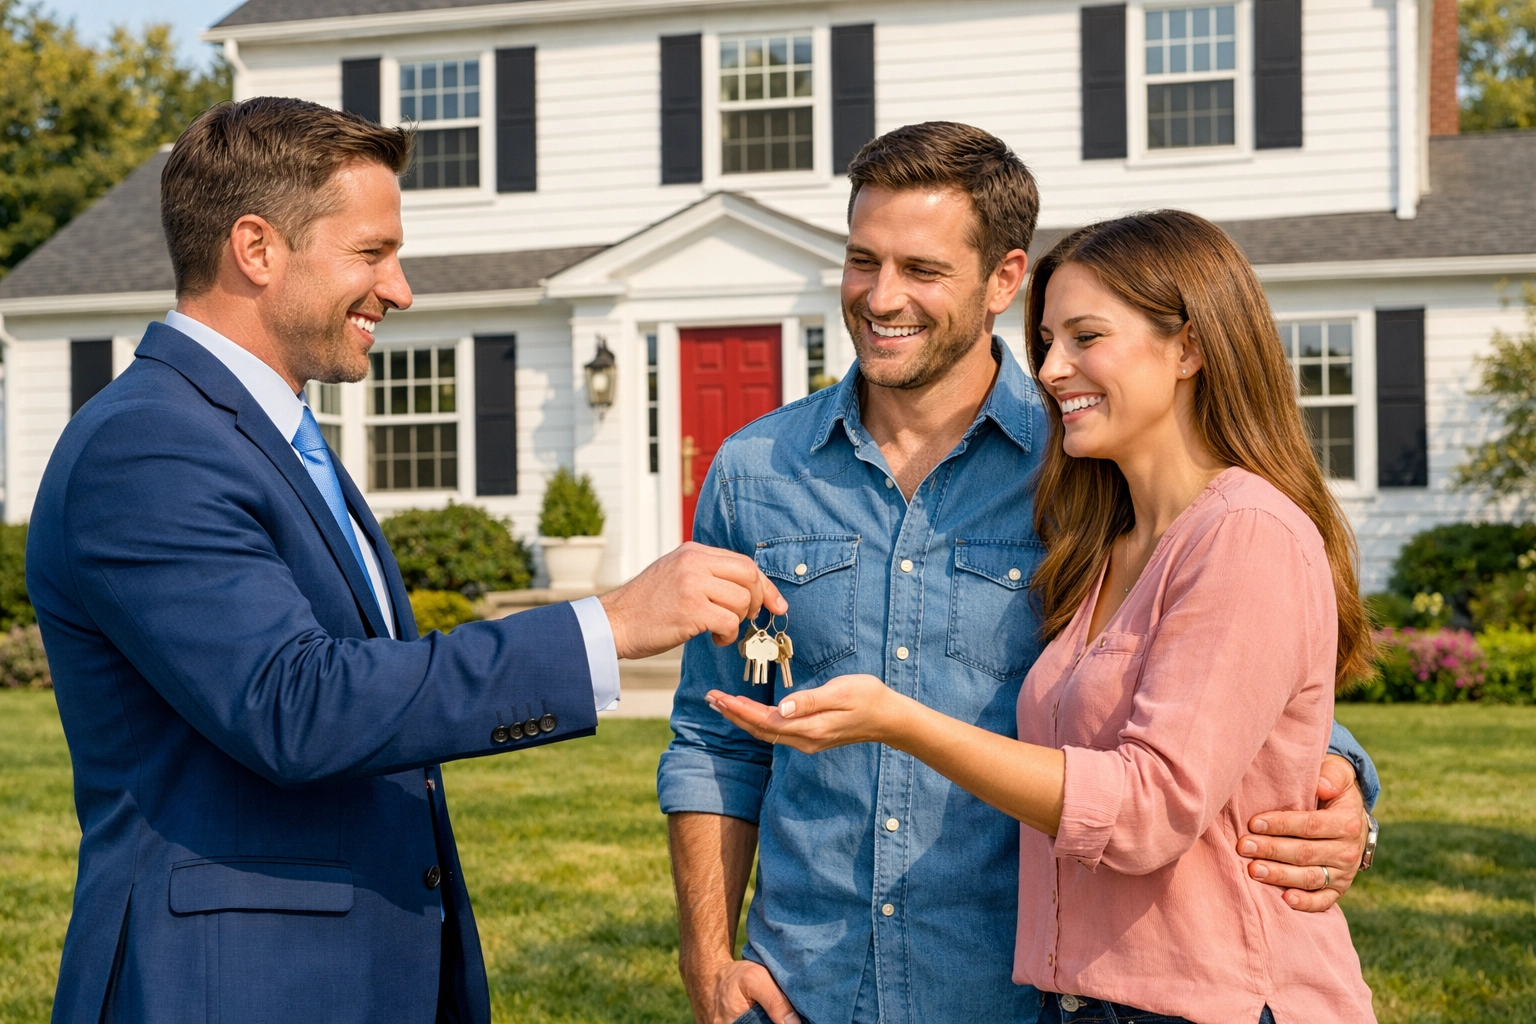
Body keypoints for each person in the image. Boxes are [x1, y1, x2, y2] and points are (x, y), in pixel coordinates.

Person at [28, 96, 783, 1024]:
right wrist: (610, 625)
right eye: (371, 252)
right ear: (256, 249)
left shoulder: (266, 434)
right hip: (231, 983)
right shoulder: (149, 445)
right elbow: (294, 706)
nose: (400, 288)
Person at [660, 121, 1379, 1024]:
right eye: (861, 260)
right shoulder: (754, 471)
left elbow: (1222, 676)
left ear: (1004, 278)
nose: (882, 298)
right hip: (804, 985)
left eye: (922, 270)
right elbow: (714, 738)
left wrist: (1344, 785)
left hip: (1017, 992)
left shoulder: (1087, 462)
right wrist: (708, 960)